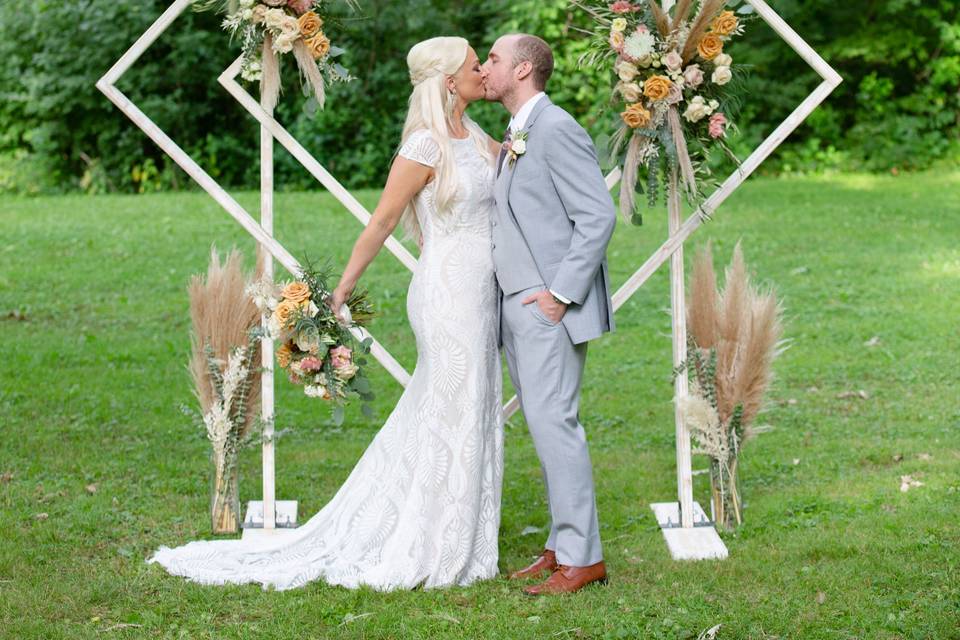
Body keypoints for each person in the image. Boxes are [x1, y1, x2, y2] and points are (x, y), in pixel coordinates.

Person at [148, 36, 505, 591]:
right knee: (448, 406)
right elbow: (382, 223)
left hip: (485, 295)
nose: (485, 71)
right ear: (449, 81)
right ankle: (428, 537)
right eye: (475, 65)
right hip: (447, 295)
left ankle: (464, 532)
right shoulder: (424, 148)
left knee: (472, 404)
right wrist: (341, 290)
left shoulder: (480, 138)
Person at [481, 33, 617, 596]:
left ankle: (584, 559)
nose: (484, 67)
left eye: (492, 59)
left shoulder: (556, 127)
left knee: (556, 425)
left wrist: (559, 295)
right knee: (544, 426)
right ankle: (562, 546)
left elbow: (598, 215)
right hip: (519, 304)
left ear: (522, 69)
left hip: (546, 308)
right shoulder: (521, 131)